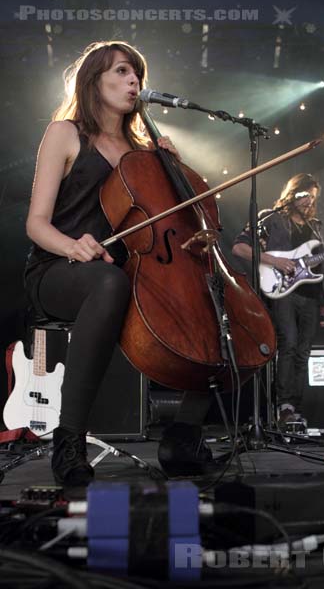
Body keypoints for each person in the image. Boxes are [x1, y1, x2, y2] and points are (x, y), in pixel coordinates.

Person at [24, 40, 215, 488]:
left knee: (212, 299)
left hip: (125, 272)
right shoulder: (65, 133)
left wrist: (172, 170)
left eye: (137, 77)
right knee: (107, 284)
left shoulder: (144, 150)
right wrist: (74, 247)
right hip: (58, 269)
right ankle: (68, 440)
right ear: (95, 79)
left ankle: (183, 437)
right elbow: (36, 223)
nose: (134, 83)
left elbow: (166, 227)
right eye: (124, 72)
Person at [232, 173, 324, 426]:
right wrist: (275, 260)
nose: (309, 201)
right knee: (288, 344)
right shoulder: (271, 218)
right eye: (304, 195)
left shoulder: (315, 226)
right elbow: (239, 247)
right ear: (293, 193)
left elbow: (317, 271)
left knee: (303, 353)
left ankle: (294, 409)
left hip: (310, 296)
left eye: (313, 197)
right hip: (282, 292)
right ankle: (283, 406)